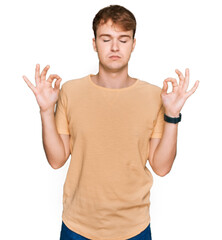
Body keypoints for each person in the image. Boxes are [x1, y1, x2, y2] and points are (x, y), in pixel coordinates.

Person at [23, 4, 199, 240]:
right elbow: (57, 160)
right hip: (78, 226)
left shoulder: (155, 96)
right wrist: (45, 110)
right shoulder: (70, 91)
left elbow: (161, 167)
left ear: (133, 44)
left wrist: (172, 115)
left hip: (133, 228)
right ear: (94, 43)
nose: (115, 47)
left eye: (123, 39)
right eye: (106, 39)